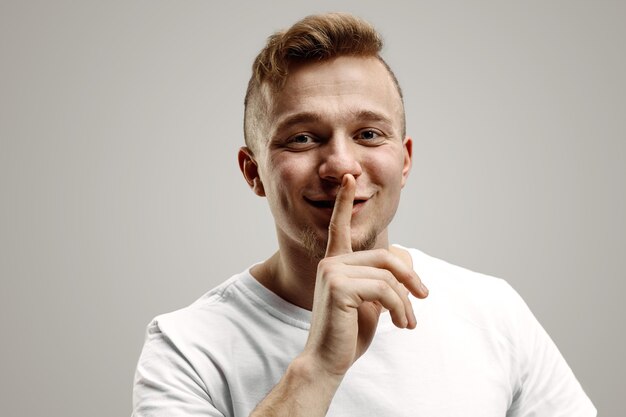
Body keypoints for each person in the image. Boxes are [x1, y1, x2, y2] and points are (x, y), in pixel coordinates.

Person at [132, 12, 596, 417]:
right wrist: (316, 371)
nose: (341, 166)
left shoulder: (494, 312)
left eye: (370, 134)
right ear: (253, 173)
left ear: (405, 160)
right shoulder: (186, 347)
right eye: (302, 138)